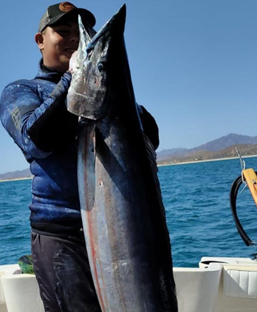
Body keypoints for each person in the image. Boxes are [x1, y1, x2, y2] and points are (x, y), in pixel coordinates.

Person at [0, 2, 159, 311]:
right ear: (40, 40)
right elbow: (36, 139)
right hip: (62, 237)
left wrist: (113, 89)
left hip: (126, 230)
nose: (73, 39)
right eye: (62, 31)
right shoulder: (20, 91)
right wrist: (77, 79)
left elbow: (150, 137)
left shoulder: (107, 93)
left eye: (79, 33)